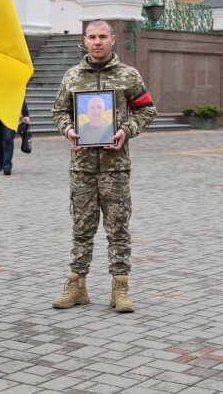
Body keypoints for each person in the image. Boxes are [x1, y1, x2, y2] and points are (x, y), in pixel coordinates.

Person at [51, 19, 157, 313]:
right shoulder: (72, 77)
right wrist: (68, 129)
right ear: (84, 41)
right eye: (91, 37)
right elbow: (59, 110)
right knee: (81, 228)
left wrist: (127, 130)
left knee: (118, 228)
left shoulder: (128, 76)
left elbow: (147, 108)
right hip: (82, 167)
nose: (97, 42)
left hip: (115, 168)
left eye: (102, 37)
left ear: (113, 40)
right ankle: (77, 286)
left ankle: (120, 288)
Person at [0, 101, 30, 175]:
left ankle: (7, 165)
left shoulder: (13, 88)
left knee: (8, 139)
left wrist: (25, 114)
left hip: (10, 115)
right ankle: (0, 162)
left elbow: (20, 95)